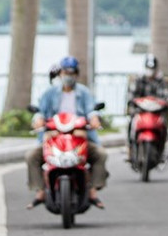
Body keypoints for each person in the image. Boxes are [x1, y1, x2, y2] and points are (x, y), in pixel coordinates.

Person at [26, 56, 108, 209]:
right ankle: (40, 190)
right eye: (65, 72)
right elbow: (40, 112)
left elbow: (91, 111)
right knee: (32, 157)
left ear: (76, 74)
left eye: (71, 73)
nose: (68, 76)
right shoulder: (50, 93)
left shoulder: (84, 93)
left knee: (101, 154)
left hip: (79, 138)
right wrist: (38, 120)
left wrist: (95, 119)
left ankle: (92, 190)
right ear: (60, 74)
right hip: (53, 138)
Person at [127, 54, 168, 152]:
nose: (150, 70)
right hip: (141, 110)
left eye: (152, 68)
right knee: (131, 123)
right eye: (148, 68)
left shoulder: (161, 80)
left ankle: (162, 149)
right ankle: (130, 148)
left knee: (164, 124)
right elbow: (131, 95)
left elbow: (166, 97)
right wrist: (134, 102)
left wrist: (164, 103)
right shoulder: (139, 79)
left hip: (156, 111)